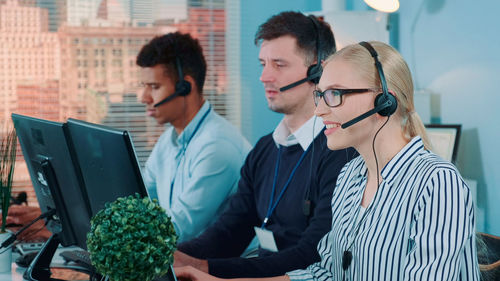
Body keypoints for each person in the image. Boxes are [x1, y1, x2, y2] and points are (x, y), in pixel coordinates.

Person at [174, 41, 481, 281]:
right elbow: (326, 274)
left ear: (385, 102)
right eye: (320, 95)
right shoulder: (350, 176)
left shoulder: (437, 183)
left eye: (335, 94)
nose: (320, 111)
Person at [173, 11, 356, 278]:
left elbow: (312, 255)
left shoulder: (340, 153)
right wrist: (174, 256)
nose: (264, 77)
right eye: (263, 64)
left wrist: (204, 268)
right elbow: (230, 230)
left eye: (279, 65)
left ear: (318, 71)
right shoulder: (265, 150)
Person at [136, 32, 252, 243]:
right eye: (143, 86)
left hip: (219, 269)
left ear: (185, 86)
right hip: (184, 260)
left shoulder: (217, 146)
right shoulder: (167, 142)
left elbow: (178, 229)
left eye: (154, 87)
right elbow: (139, 200)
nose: (143, 98)